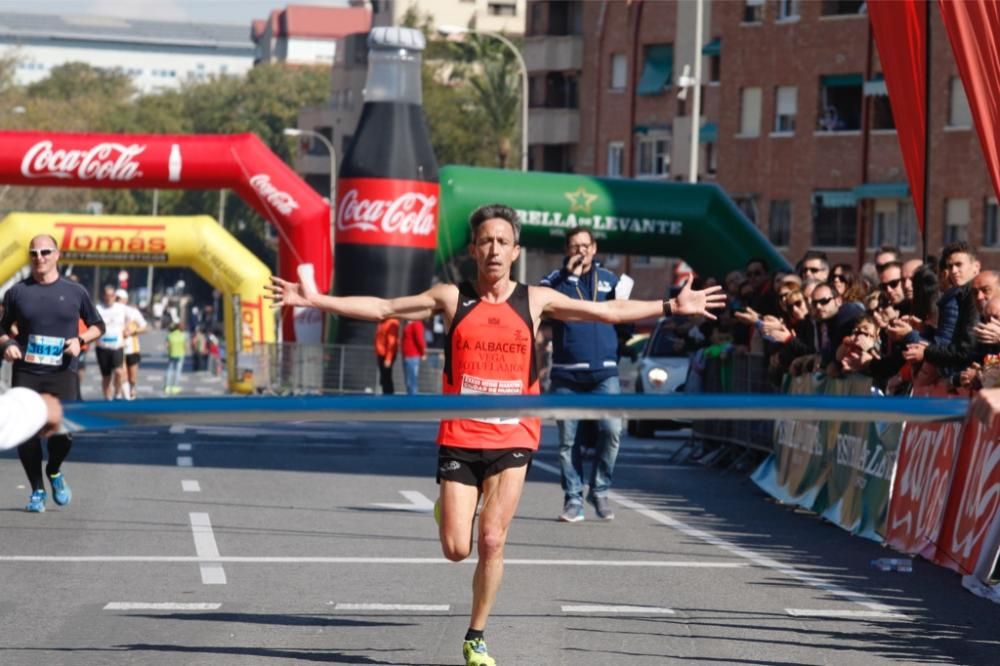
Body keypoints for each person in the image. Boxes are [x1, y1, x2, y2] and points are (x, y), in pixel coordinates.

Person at [265, 203, 725, 666]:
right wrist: (315, 300)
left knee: (490, 540)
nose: (494, 249)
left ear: (516, 251)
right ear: (472, 250)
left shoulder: (536, 300)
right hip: (461, 436)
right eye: (485, 240)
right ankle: (449, 506)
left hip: (514, 436)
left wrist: (670, 305)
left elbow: (606, 312)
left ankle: (476, 636)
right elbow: (384, 307)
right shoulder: (451, 297)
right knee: (456, 548)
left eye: (503, 241)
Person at [0, 235, 104, 512]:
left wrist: (80, 341)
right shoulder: (17, 292)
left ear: (57, 254)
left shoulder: (75, 292)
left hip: (62, 371)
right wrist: (8, 343)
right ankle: (36, 490)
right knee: (27, 433)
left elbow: (98, 325)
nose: (40, 257)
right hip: (27, 371)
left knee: (62, 433)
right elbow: (2, 327)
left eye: (46, 251)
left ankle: (54, 471)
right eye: (34, 252)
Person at [539, 226, 624, 522]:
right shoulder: (554, 280)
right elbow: (546, 306)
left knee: (612, 431)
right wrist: (570, 276)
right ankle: (573, 498)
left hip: (605, 372)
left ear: (595, 248)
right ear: (567, 250)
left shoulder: (610, 280)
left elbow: (623, 320)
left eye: (585, 246)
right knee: (568, 441)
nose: (581, 251)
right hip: (566, 375)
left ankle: (599, 489)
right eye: (574, 246)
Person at [95, 285, 130, 401]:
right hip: (102, 347)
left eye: (112, 295)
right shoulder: (98, 308)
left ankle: (118, 393)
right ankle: (107, 399)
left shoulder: (121, 308)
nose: (109, 298)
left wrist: (128, 328)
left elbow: (132, 318)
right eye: (107, 295)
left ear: (115, 296)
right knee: (106, 377)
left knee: (119, 372)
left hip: (117, 346)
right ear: (103, 296)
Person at [118, 289, 148, 400]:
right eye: (116, 299)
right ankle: (125, 397)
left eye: (120, 299)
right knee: (121, 373)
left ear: (125, 300)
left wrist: (133, 331)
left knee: (132, 377)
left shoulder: (133, 312)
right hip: (118, 347)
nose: (118, 301)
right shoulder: (112, 312)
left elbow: (145, 327)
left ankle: (132, 389)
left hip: (132, 348)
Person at [373, 317, 401, 395]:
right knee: (384, 377)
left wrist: (388, 358)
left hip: (386, 354)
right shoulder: (382, 322)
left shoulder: (392, 322)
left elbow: (392, 342)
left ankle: (388, 396)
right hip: (381, 353)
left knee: (386, 377)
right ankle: (386, 394)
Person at [401, 318, 427, 395]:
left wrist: (423, 353)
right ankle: (409, 400)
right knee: (408, 381)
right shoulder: (407, 323)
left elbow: (420, 340)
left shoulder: (416, 323)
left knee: (412, 381)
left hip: (412, 356)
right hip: (407, 355)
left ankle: (413, 402)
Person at [164, 322, 186, 394]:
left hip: (172, 354)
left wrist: (169, 351)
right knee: (178, 371)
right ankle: (175, 387)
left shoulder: (170, 335)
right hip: (180, 355)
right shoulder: (183, 335)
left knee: (169, 370)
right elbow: (185, 346)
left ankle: (167, 386)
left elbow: (167, 346)